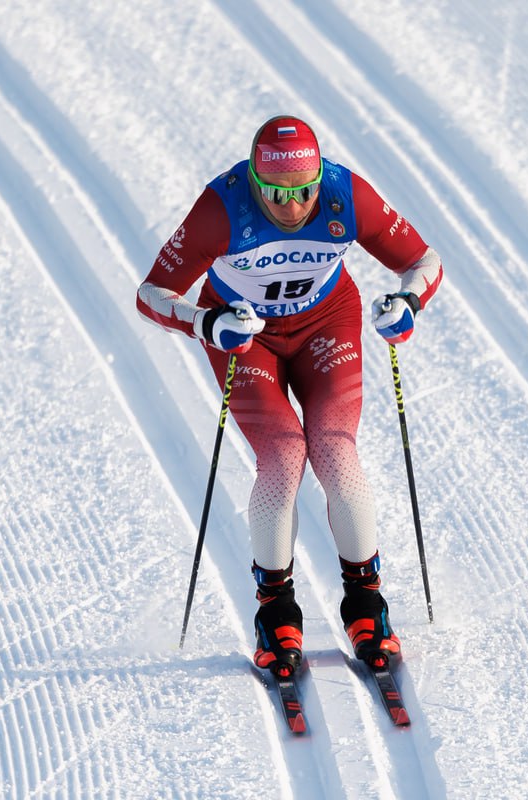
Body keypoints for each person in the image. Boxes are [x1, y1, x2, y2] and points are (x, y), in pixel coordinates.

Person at [136, 115, 442, 676]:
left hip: (328, 321)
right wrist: (206, 324)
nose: (293, 205)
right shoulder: (222, 208)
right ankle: (275, 612)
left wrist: (408, 303)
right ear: (254, 180)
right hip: (247, 336)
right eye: (276, 193)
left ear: (319, 176)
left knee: (334, 448)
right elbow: (151, 293)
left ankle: (367, 604)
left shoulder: (344, 194)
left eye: (304, 190)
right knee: (282, 456)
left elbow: (424, 260)